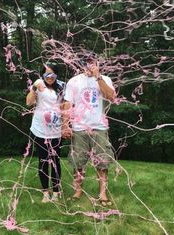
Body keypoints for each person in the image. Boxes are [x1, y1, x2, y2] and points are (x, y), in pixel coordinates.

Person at [62, 53, 116, 206]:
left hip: (99, 127)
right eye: (87, 62)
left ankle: (102, 194)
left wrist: (98, 77)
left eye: (93, 61)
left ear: (97, 63)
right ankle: (78, 191)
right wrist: (65, 125)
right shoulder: (74, 81)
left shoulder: (105, 79)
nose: (90, 64)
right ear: (82, 64)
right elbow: (67, 104)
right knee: (78, 162)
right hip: (79, 128)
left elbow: (111, 96)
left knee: (102, 162)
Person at [26, 62, 65, 203]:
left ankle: (56, 191)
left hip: (56, 130)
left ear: (56, 74)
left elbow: (65, 106)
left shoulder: (62, 86)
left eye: (53, 74)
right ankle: (45, 192)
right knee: (43, 161)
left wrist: (66, 125)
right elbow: (29, 103)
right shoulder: (38, 85)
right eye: (47, 74)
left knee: (55, 161)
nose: (50, 77)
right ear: (43, 74)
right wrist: (33, 88)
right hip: (40, 130)